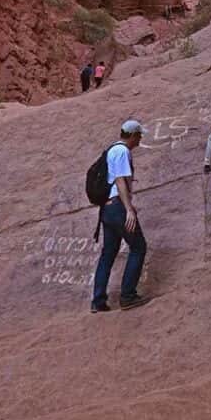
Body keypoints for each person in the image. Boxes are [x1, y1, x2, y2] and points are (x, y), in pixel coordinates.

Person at [91, 120, 151, 313]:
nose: (140, 139)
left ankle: (98, 301)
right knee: (138, 247)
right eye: (139, 135)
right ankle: (128, 295)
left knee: (108, 254)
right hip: (117, 207)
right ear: (132, 135)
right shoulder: (123, 152)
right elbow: (120, 182)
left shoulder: (111, 150)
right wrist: (129, 210)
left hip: (107, 211)